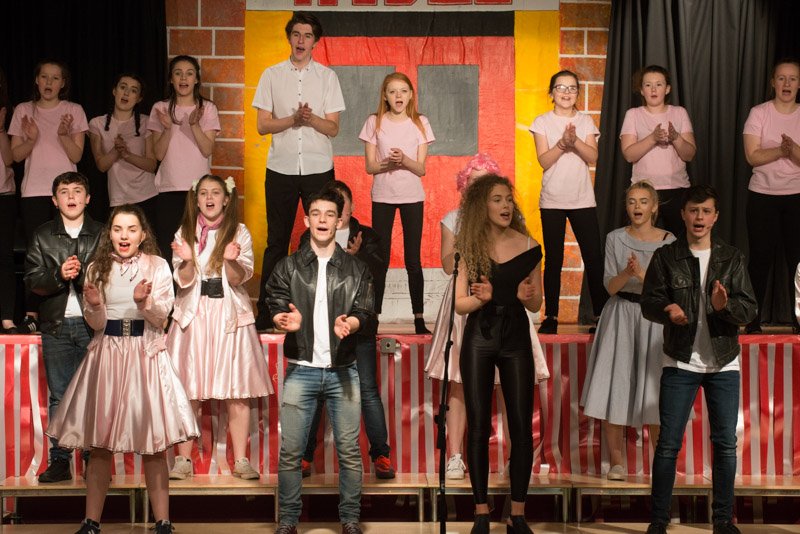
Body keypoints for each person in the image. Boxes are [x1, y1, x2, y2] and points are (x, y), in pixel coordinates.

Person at [47, 204, 198, 534]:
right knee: (100, 446)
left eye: (131, 229)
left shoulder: (157, 265)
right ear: (110, 234)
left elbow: (162, 317)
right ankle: (91, 522)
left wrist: (143, 302)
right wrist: (95, 306)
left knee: (154, 446)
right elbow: (96, 324)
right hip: (108, 356)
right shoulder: (96, 267)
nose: (124, 235)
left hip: (145, 356)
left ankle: (163, 522)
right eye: (118, 229)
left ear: (142, 235)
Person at [641, 185, 757, 534]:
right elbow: (649, 301)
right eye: (694, 210)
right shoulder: (667, 256)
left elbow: (749, 309)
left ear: (715, 217)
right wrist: (668, 308)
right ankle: (658, 521)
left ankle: (722, 520)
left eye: (706, 211)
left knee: (725, 444)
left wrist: (725, 307)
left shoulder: (731, 257)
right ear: (683, 214)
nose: (699, 217)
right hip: (680, 361)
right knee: (668, 444)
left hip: (723, 362)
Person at [266, 188, 375, 534]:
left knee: (349, 451)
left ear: (339, 220)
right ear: (306, 219)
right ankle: (288, 521)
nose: (323, 220)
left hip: (343, 371)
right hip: (302, 370)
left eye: (330, 214)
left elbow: (365, 311)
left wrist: (351, 324)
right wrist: (283, 319)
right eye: (316, 213)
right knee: (291, 452)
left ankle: (350, 520)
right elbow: (275, 300)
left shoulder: (356, 268)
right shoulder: (289, 266)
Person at [166, 174, 274, 480]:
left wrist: (229, 261)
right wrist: (187, 259)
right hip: (195, 314)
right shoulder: (184, 232)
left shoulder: (239, 231)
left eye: (215, 192)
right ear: (196, 199)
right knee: (189, 388)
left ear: (226, 199)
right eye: (203, 193)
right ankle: (183, 460)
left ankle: (241, 459)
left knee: (237, 390)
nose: (209, 198)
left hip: (228, 315)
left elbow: (240, 279)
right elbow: (183, 280)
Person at [454, 174, 542, 534]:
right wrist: (483, 299)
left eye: (508, 199)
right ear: (482, 206)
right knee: (478, 425)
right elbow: (460, 304)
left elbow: (536, 303)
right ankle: (480, 512)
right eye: (497, 199)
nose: (505, 205)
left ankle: (516, 514)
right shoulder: (469, 246)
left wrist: (526, 298)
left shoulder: (529, 246)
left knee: (521, 426)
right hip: (480, 335)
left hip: (516, 336)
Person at [253, 11, 345, 331]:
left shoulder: (327, 77)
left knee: (322, 238)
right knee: (277, 241)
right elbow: (263, 125)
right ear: (289, 38)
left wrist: (310, 119)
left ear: (315, 42)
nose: (301, 40)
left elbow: (333, 128)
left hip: (318, 168)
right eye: (296, 34)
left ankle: (320, 309)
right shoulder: (272, 75)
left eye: (307, 35)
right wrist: (293, 120)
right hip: (281, 167)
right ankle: (267, 311)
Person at [299, 180, 395, 479]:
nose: (337, 208)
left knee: (367, 389)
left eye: (342, 201)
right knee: (316, 392)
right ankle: (303, 457)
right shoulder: (309, 236)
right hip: (320, 327)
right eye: (331, 201)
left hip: (359, 326)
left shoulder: (368, 236)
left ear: (351, 207)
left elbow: (378, 274)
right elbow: (301, 273)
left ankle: (381, 455)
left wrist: (355, 257)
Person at [580, 181, 675, 481]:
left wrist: (643, 274)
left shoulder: (668, 241)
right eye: (632, 201)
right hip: (620, 314)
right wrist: (626, 273)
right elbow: (610, 287)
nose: (637, 207)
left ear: (654, 207)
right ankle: (616, 462)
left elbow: (669, 288)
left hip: (653, 316)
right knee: (616, 382)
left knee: (654, 386)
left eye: (644, 201)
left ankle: (661, 463)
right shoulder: (615, 238)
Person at [427, 154, 502, 480]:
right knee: (458, 382)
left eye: (484, 182)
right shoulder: (453, 218)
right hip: (462, 296)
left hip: (498, 299)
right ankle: (455, 456)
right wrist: (466, 246)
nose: (477, 187)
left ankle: (510, 458)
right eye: (473, 181)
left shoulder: (502, 217)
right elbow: (447, 264)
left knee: (503, 381)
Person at [24, 172, 103, 483]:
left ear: (88, 198)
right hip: (56, 326)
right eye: (64, 192)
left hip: (91, 324)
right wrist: (59, 274)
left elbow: (111, 275)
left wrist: (82, 276)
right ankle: (60, 459)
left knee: (92, 393)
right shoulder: (43, 235)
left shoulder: (101, 233)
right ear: (54, 200)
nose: (71, 196)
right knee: (59, 395)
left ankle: (92, 457)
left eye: (77, 191)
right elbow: (32, 279)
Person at [10, 60, 88, 333]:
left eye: (55, 78)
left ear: (63, 83)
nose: (49, 82)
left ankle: (70, 310)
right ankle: (32, 314)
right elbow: (15, 155)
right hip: (34, 190)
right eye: (44, 77)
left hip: (67, 194)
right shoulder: (24, 110)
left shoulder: (73, 111)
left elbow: (77, 155)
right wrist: (31, 139)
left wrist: (63, 135)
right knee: (37, 256)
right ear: (37, 80)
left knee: (68, 249)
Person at [531, 69, 607, 334]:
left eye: (572, 88)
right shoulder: (542, 121)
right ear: (551, 93)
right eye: (561, 88)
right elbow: (544, 161)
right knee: (554, 259)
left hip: (582, 199)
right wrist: (562, 144)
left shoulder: (585, 121)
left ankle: (600, 316)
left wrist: (574, 142)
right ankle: (551, 316)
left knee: (593, 258)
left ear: (577, 93)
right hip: (552, 199)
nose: (566, 93)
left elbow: (592, 156)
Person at [360, 72, 435, 334]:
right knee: (379, 259)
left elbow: (421, 169)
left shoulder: (420, 122)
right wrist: (388, 163)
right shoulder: (374, 122)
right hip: (383, 196)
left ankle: (419, 319)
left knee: (412, 259)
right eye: (392, 91)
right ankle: (374, 317)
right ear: (385, 96)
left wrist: (403, 160)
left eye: (403, 91)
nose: (398, 96)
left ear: (411, 95)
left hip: (412, 197)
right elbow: (370, 166)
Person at [742, 58, 800, 333]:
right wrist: (781, 151)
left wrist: (793, 150)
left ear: (799, 84)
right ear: (773, 82)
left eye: (792, 79)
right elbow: (752, 156)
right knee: (760, 259)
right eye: (781, 78)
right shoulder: (759, 113)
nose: (786, 83)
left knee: (797, 263)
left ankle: (798, 320)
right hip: (762, 196)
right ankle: (752, 321)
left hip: (796, 196)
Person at [148, 55, 220, 264]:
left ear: (196, 79)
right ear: (171, 79)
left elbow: (207, 150)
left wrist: (195, 125)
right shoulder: (160, 108)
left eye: (189, 73)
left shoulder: (207, 108)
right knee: (168, 247)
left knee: (199, 247)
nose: (183, 78)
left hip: (198, 190)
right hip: (168, 189)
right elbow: (158, 154)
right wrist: (168, 128)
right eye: (178, 73)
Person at [620, 65, 697, 237]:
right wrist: (652, 138)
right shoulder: (633, 114)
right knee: (642, 240)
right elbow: (629, 154)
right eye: (648, 85)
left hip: (676, 189)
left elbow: (689, 154)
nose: (653, 89)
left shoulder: (679, 113)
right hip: (644, 190)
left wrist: (676, 137)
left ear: (667, 89)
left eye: (659, 84)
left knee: (679, 242)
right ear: (642, 90)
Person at [89, 73, 158, 215]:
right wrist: (116, 150)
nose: (126, 93)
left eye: (133, 90)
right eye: (123, 87)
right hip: (118, 198)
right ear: (115, 91)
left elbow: (152, 165)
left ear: (139, 98)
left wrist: (127, 155)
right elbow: (101, 165)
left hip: (147, 195)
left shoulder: (146, 122)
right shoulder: (97, 123)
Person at [0, 67, 17, 334]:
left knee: (4, 257)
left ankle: (7, 317)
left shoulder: (5, 112)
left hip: (3, 194)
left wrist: (1, 128)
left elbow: (10, 158)